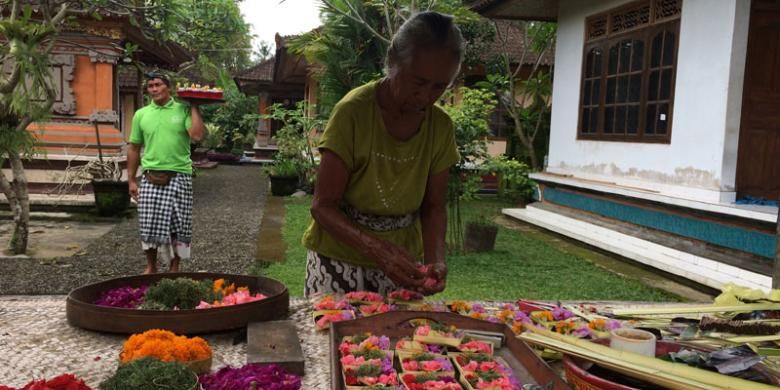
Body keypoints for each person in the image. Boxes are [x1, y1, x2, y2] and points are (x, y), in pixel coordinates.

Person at [303, 11, 463, 297]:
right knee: (330, 337)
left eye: (440, 86)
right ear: (393, 60)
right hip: (338, 256)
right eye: (418, 81)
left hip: (403, 261)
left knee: (400, 340)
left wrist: (435, 260)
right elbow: (322, 206)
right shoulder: (353, 112)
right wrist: (377, 250)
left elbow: (434, 207)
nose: (426, 95)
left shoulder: (440, 127)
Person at [127, 72, 204, 274]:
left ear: (167, 87)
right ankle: (151, 266)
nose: (154, 89)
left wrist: (194, 105)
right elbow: (134, 148)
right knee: (148, 222)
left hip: (180, 175)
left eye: (158, 84)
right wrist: (131, 180)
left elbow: (196, 136)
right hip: (151, 175)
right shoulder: (141, 114)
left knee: (179, 224)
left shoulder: (183, 109)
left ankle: (175, 266)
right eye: (150, 85)